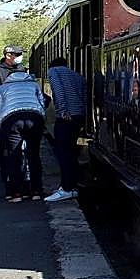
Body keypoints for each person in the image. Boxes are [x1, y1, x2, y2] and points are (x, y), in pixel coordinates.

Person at [0, 66, 45, 202]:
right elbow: (41, 102)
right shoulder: (34, 85)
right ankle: (36, 191)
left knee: (14, 156)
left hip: (12, 118)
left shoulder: (3, 87)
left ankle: (17, 193)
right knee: (34, 155)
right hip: (34, 117)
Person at [46, 57, 85, 202]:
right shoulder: (77, 75)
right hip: (78, 116)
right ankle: (71, 186)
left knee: (63, 152)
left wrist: (62, 110)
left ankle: (67, 188)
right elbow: (83, 95)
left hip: (66, 116)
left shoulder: (53, 72)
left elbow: (58, 91)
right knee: (72, 152)